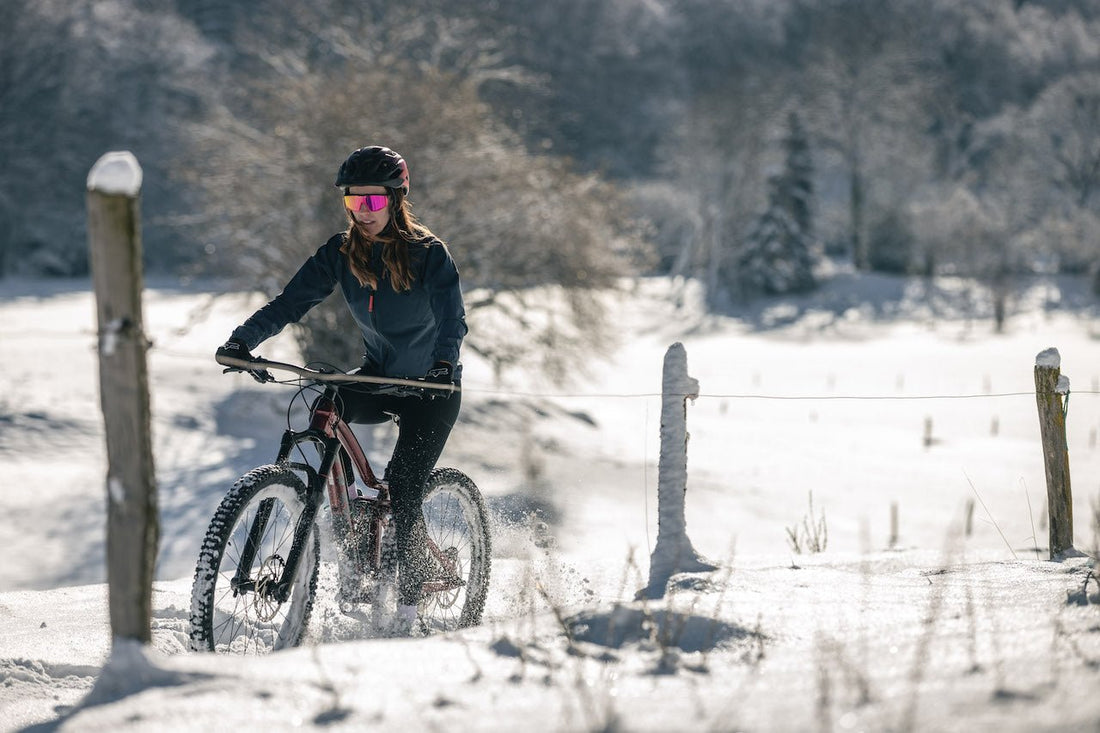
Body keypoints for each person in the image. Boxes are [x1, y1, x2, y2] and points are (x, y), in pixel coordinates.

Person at [216, 145, 467, 634]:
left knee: (405, 484)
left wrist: (443, 366)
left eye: (372, 203)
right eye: (353, 203)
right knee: (327, 405)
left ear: (397, 200)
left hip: (431, 390)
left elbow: (452, 319)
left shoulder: (428, 253)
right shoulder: (340, 252)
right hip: (376, 378)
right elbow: (290, 302)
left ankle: (408, 608)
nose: (362, 213)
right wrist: (242, 340)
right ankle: (351, 534)